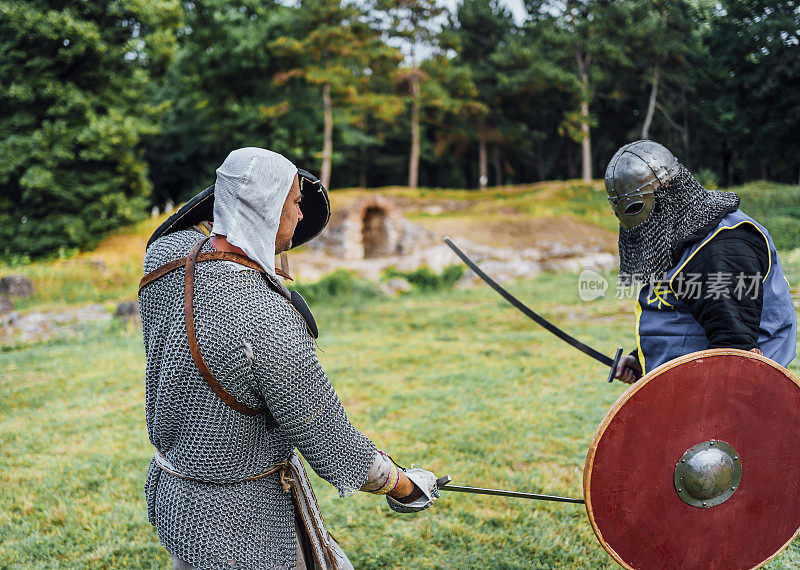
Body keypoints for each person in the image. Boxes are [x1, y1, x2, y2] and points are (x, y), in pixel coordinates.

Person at [138, 147, 440, 569]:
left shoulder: (164, 260)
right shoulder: (266, 318)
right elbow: (330, 439)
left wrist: (237, 193)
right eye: (295, 202)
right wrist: (404, 485)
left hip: (177, 496)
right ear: (266, 205)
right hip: (242, 521)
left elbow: (189, 225)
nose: (301, 217)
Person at [605, 140, 796, 383]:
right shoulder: (676, 237)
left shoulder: (718, 249)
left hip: (720, 407)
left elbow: (735, 361)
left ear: (668, 189)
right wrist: (644, 359)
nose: (631, 223)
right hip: (689, 395)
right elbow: (683, 316)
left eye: (634, 207)